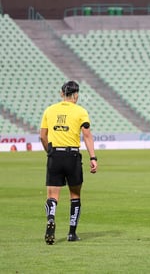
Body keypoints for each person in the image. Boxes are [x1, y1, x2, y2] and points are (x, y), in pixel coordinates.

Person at [40, 81, 98, 245]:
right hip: (72, 155)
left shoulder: (49, 110)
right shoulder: (81, 111)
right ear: (76, 95)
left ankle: (51, 218)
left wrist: (49, 152)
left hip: (55, 155)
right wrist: (93, 158)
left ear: (61, 94)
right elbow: (87, 135)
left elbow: (43, 136)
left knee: (52, 195)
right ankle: (72, 233)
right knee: (75, 195)